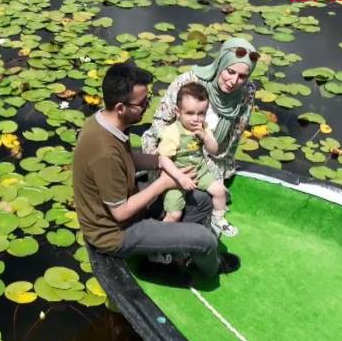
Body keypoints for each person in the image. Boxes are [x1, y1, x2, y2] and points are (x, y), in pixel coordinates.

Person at [72, 61, 239, 278]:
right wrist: (164, 183)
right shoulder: (104, 152)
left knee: (204, 201)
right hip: (114, 233)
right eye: (142, 103)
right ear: (121, 108)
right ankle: (210, 269)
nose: (147, 106)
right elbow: (120, 212)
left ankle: (165, 254)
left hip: (127, 199)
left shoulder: (104, 121)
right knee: (205, 240)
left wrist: (160, 161)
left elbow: (128, 158)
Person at [141, 37, 259, 185]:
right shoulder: (189, 81)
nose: (234, 81)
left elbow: (234, 137)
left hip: (212, 155)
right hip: (174, 151)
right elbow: (160, 123)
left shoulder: (246, 91)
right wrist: (174, 160)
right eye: (230, 72)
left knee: (212, 196)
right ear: (220, 64)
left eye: (242, 76)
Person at [151, 81, 238, 237]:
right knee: (174, 214)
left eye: (201, 113)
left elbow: (214, 150)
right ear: (178, 112)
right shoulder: (173, 132)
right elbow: (163, 159)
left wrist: (205, 137)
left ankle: (217, 219)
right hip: (175, 177)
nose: (196, 119)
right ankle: (158, 241)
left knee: (220, 191)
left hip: (199, 170)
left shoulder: (203, 128)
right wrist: (180, 177)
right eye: (190, 113)